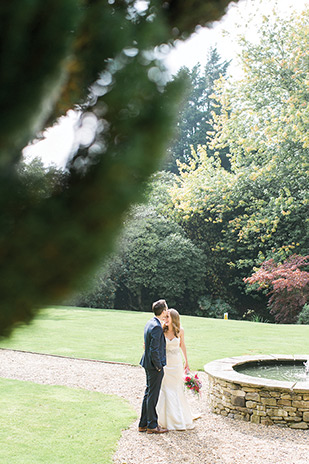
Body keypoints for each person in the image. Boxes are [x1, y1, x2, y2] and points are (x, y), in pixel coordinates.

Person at [156, 308, 194, 430]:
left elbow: (182, 345)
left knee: (176, 388)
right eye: (165, 317)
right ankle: (163, 419)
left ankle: (179, 417)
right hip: (166, 363)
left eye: (168, 317)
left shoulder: (180, 331)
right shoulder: (162, 329)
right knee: (166, 388)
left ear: (174, 318)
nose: (165, 319)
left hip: (176, 363)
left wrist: (186, 361)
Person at [138, 299, 169, 434]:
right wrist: (158, 367)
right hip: (153, 366)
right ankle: (152, 425)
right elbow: (154, 350)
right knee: (152, 396)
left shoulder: (150, 322)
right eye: (166, 309)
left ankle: (143, 424)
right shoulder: (156, 327)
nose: (167, 311)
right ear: (163, 311)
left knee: (148, 393)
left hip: (147, 363)